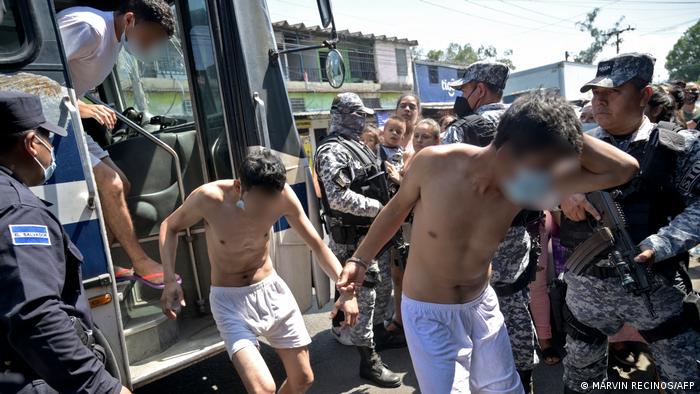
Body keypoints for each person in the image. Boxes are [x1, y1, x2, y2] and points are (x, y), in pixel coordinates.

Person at [338, 90, 639, 393]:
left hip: (482, 305)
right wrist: (359, 260)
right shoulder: (434, 164)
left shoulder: (524, 183)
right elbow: (396, 210)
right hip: (429, 314)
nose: (548, 179)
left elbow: (624, 169)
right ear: (507, 155)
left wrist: (560, 126)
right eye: (542, 167)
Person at [159, 149, 358, 394]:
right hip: (229, 301)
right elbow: (169, 226)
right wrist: (169, 279)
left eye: (271, 202)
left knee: (303, 379)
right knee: (263, 389)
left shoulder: (283, 196)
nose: (266, 211)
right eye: (260, 203)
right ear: (239, 186)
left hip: (271, 291)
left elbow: (317, 245)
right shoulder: (209, 198)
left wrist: (345, 291)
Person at [559, 53, 700, 394]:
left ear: (644, 95)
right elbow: (522, 189)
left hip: (653, 286)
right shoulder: (572, 146)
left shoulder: (679, 146)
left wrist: (661, 244)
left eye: (613, 91)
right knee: (580, 377)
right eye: (595, 93)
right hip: (587, 290)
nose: (600, 100)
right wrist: (563, 191)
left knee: (684, 377)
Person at [0, 92, 129, 394]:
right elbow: (36, 316)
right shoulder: (20, 212)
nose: (52, 151)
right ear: (33, 144)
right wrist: (104, 388)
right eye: (49, 140)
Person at [58, 0, 177, 288]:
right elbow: (35, 75)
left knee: (121, 184)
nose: (148, 47)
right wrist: (84, 108)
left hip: (67, 118)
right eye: (149, 38)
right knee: (110, 183)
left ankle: (101, 261)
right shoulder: (89, 29)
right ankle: (141, 261)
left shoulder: (112, 45)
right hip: (50, 122)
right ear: (131, 20)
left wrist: (80, 106)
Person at [441, 62, 539, 392]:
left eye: (464, 90)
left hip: (476, 243)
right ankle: (525, 379)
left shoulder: (462, 128)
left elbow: (445, 189)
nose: (462, 97)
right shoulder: (532, 125)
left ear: (479, 89)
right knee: (514, 305)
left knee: (475, 316)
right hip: (520, 234)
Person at [314, 93, 401, 387]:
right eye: (356, 113)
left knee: (376, 293)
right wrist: (382, 210)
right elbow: (338, 198)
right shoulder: (331, 151)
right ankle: (368, 361)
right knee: (364, 297)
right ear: (340, 114)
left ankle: (372, 337)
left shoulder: (357, 147)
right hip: (351, 240)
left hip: (370, 234)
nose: (362, 119)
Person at [441, 61, 510, 145]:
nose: (462, 96)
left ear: (480, 91)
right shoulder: (520, 119)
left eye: (464, 91)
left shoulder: (460, 130)